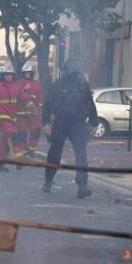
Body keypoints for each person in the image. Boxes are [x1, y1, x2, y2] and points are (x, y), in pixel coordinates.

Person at [41, 58, 97, 199]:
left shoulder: (82, 85)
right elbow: (47, 105)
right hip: (61, 123)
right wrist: (45, 123)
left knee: (80, 155)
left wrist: (93, 122)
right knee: (56, 153)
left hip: (77, 124)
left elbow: (90, 104)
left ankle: (82, 186)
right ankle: (48, 180)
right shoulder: (58, 85)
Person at [18, 63, 44, 156]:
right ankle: (24, 150)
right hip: (22, 113)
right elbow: (17, 96)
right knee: (22, 133)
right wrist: (25, 91)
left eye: (29, 73)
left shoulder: (37, 84)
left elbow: (40, 97)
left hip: (34, 113)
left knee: (36, 132)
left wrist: (37, 101)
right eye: (26, 73)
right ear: (23, 73)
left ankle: (31, 150)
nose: (27, 74)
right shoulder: (19, 84)